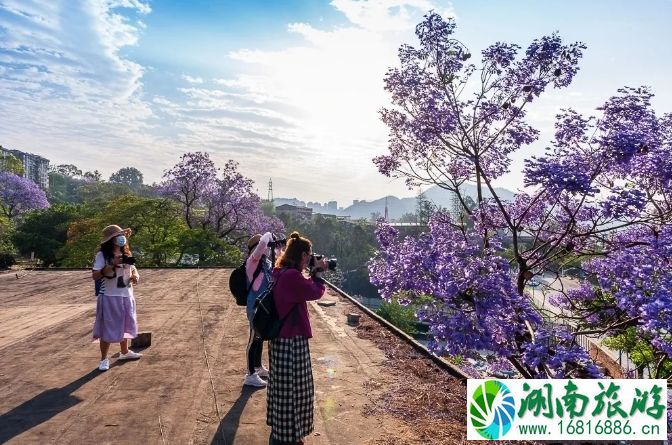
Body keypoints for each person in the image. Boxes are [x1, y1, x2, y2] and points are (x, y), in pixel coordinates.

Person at [267, 231, 328, 445]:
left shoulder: (281, 271)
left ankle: (285, 433)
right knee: (294, 391)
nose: (311, 259)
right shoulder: (292, 276)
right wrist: (319, 274)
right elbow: (314, 292)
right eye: (309, 256)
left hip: (281, 339)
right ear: (303, 255)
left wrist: (313, 272)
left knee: (284, 389)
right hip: (290, 341)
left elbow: (302, 290)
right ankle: (286, 438)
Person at [91, 225, 142, 372]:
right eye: (118, 235)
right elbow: (95, 275)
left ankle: (124, 352)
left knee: (125, 323)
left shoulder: (126, 252)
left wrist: (135, 276)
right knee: (108, 326)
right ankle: (103, 359)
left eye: (122, 235)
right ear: (111, 239)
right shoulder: (102, 255)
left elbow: (133, 268)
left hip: (126, 294)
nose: (121, 237)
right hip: (110, 295)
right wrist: (112, 264)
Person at [244, 232, 275, 387]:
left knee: (260, 337)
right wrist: (267, 236)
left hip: (264, 307)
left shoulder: (265, 264)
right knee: (253, 340)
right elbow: (260, 247)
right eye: (265, 246)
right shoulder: (252, 262)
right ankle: (250, 374)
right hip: (254, 308)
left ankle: (258, 367)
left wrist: (279, 248)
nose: (267, 249)